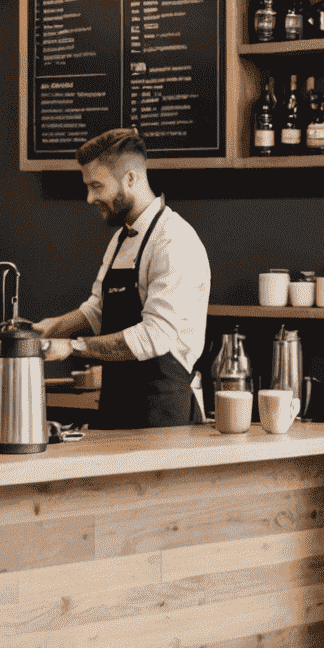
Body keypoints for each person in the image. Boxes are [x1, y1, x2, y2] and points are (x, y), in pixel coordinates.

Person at [33, 128, 210, 429]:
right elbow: (98, 310)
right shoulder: (121, 238)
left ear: (130, 178)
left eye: (97, 186)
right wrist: (50, 329)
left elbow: (155, 336)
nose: (90, 198)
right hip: (117, 408)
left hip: (163, 416)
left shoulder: (174, 240)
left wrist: (72, 347)